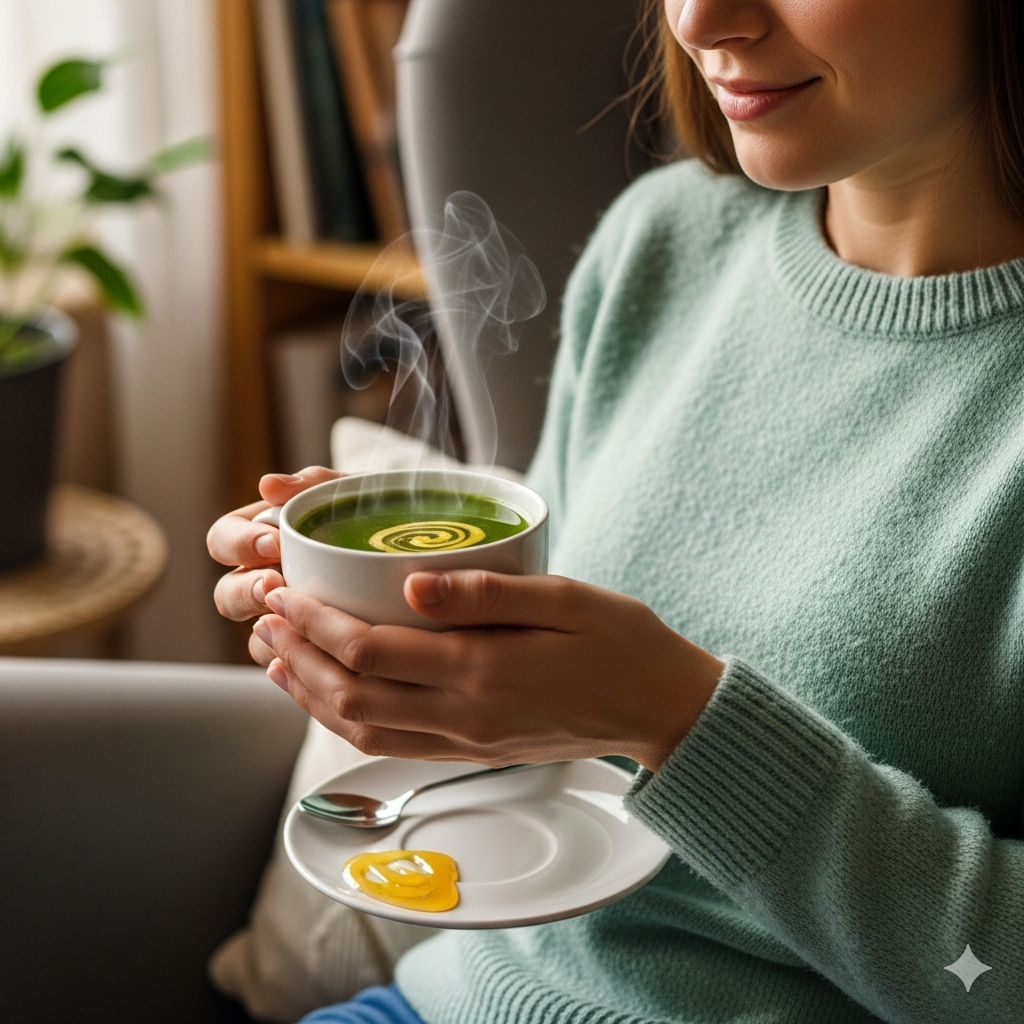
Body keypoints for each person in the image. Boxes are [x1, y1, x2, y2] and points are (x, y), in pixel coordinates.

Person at [208, 0, 1024, 1020]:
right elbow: (547, 733)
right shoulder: (660, 244)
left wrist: (679, 720)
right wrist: (390, 636)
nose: (699, 19)